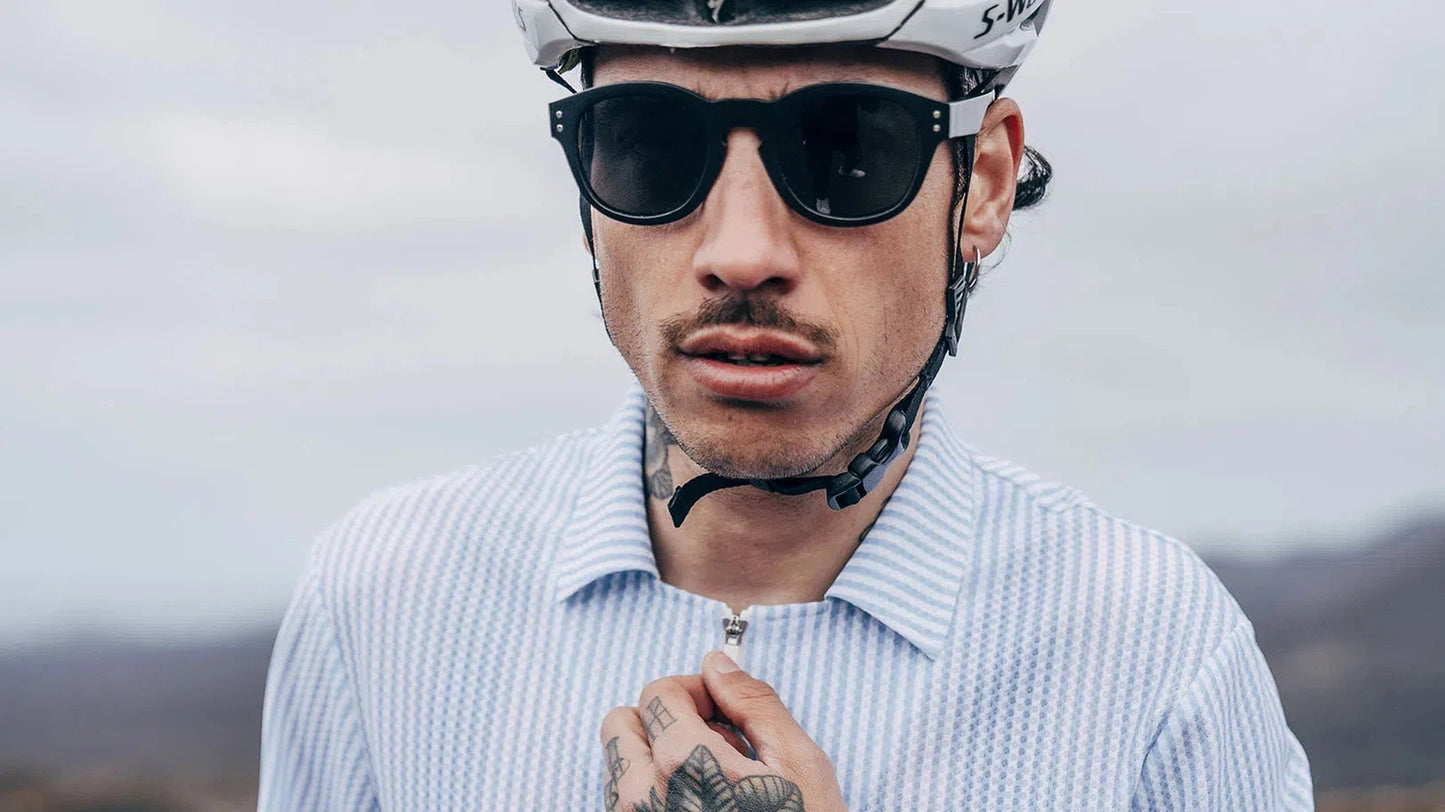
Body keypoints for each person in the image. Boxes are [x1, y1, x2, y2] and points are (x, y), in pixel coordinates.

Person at [259, 1, 1314, 809]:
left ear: (984, 184)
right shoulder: (379, 600)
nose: (740, 252)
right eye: (649, 145)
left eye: (844, 147)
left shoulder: (1151, 650)